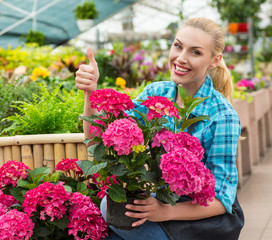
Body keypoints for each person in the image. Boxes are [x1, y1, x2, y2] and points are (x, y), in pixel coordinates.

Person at [75, 17, 244, 240]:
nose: (181, 58)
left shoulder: (223, 116)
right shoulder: (156, 94)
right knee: (111, 206)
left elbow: (222, 199)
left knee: (119, 222)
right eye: (178, 46)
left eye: (195, 52)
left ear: (214, 60)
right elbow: (98, 141)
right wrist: (90, 92)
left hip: (202, 217)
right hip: (161, 201)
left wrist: (165, 211)